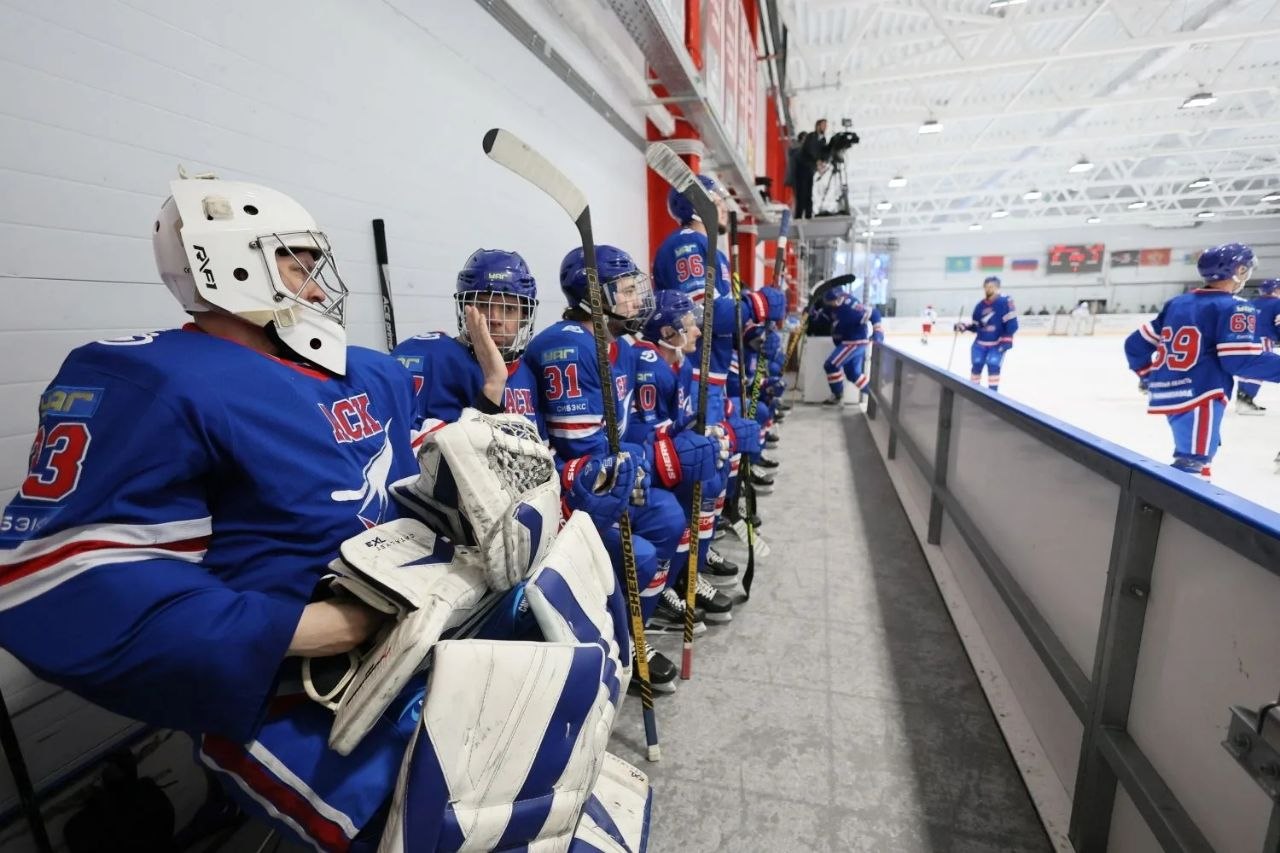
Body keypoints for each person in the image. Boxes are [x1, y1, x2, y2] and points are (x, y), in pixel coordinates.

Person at [0, 175, 423, 849]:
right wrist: (301, 628)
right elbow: (49, 578)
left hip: (419, 637)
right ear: (230, 264)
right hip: (297, 689)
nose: (319, 290)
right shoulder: (156, 380)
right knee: (444, 822)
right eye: (298, 265)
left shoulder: (371, 371)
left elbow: (407, 468)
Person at [524, 243, 693, 691]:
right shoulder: (568, 345)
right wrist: (628, 464)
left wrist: (638, 459)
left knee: (668, 516)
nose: (638, 299)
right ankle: (613, 642)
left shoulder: (620, 347)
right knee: (640, 555)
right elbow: (581, 450)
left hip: (605, 475)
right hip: (571, 489)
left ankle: (635, 632)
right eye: (627, 290)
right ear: (594, 296)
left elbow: (625, 430)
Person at [1124, 244, 1280, 478]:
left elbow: (1135, 344)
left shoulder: (1178, 303)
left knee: (1200, 453)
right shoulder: (1236, 306)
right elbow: (1239, 360)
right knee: (1192, 462)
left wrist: (1148, 377)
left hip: (1170, 391)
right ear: (1239, 270)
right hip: (1201, 393)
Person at [392, 249, 542, 440]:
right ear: (465, 310)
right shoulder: (433, 358)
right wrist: (493, 384)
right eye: (484, 305)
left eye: (509, 309)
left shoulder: (527, 375)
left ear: (524, 317)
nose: (495, 319)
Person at [955, 276, 1017, 393]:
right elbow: (976, 326)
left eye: (992, 287)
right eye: (987, 287)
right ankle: (973, 392)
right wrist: (964, 326)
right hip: (980, 344)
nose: (989, 289)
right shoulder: (980, 306)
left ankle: (992, 395)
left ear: (998, 288)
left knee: (993, 365)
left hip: (997, 343)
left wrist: (1007, 339)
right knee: (977, 364)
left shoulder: (1005, 302)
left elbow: (1012, 323)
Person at [821, 287, 883, 405]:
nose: (831, 304)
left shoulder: (851, 306)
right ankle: (875, 395)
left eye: (832, 301)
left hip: (854, 342)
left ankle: (837, 396)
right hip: (848, 341)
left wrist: (878, 330)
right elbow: (825, 316)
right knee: (853, 374)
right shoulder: (830, 306)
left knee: (831, 365)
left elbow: (874, 312)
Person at [1235, 278, 1280, 414]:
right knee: (1262, 368)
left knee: (1248, 368)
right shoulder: (1277, 303)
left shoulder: (1252, 302)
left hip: (1248, 339)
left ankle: (1241, 399)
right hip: (1264, 338)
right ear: (1275, 290)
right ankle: (1247, 400)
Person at [794, 119, 828, 219]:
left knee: (809, 193)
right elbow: (810, 151)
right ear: (818, 126)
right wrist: (817, 161)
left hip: (810, 169)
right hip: (802, 168)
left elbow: (822, 153)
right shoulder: (811, 137)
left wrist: (823, 161)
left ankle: (808, 215)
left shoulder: (823, 140)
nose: (825, 127)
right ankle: (798, 216)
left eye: (826, 125)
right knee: (802, 193)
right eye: (823, 125)